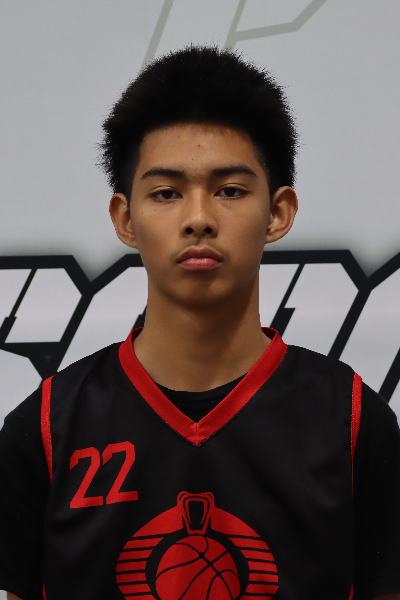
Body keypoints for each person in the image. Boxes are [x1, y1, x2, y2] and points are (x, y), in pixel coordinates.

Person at [0, 46, 399, 600]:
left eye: (230, 190)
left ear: (278, 212)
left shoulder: (354, 422)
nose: (198, 219)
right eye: (166, 193)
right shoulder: (44, 429)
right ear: (126, 218)